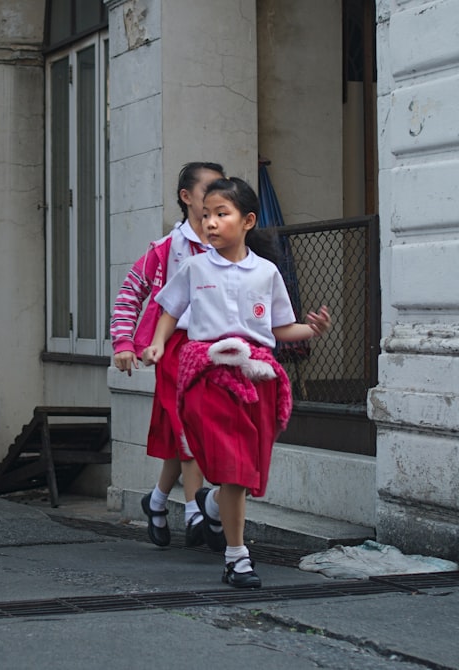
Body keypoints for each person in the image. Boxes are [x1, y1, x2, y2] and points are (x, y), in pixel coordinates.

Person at [143, 177, 330, 588]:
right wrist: (157, 344)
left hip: (257, 376)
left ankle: (210, 503)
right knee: (229, 466)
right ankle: (237, 557)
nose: (210, 222)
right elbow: (170, 311)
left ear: (246, 221)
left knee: (243, 473)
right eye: (205, 214)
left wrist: (311, 330)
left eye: (220, 214)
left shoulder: (266, 272)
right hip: (207, 374)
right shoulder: (194, 267)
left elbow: (281, 328)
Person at [110, 161, 225, 548]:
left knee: (188, 431)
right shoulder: (166, 249)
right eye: (208, 189)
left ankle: (157, 501)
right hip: (175, 348)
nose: (214, 197)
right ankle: (196, 511)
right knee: (191, 424)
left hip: (219, 350)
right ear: (186, 197)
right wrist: (124, 343)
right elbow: (129, 294)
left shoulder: (227, 243)